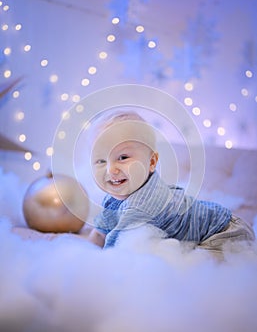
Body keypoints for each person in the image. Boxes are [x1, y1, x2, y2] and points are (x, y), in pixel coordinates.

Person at [87, 110, 255, 259]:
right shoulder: (116, 197)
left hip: (224, 234)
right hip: (212, 227)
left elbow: (111, 258)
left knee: (197, 269)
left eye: (123, 157)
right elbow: (101, 231)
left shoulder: (142, 206)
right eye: (101, 160)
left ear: (151, 162)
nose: (111, 170)